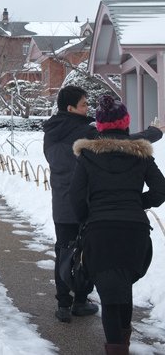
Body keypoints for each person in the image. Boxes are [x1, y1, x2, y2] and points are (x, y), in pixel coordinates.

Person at [43, 85, 163, 323]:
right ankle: (79, 301)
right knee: (85, 253)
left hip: (62, 203)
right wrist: (154, 132)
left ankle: (63, 304)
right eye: (84, 104)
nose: (88, 107)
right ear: (71, 108)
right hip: (88, 205)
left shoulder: (52, 130)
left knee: (65, 251)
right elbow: (123, 140)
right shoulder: (84, 132)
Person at [70, 94, 165, 354]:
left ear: (99, 127)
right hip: (134, 232)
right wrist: (137, 203)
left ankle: (117, 348)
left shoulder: (88, 155)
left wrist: (88, 217)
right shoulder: (140, 154)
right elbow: (161, 190)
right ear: (125, 123)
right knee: (123, 283)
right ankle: (122, 343)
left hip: (100, 231)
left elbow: (76, 197)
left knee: (109, 289)